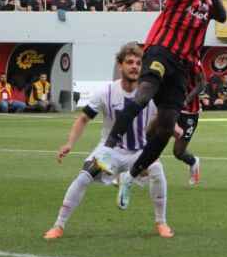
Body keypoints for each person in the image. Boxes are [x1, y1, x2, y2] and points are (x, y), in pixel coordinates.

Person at [94, 0, 226, 210]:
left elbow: (223, 16)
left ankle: (131, 176)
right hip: (160, 51)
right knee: (143, 95)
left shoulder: (210, 2)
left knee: (165, 127)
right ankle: (107, 149)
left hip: (182, 66)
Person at [43, 44, 173, 240]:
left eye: (139, 63)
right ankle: (58, 226)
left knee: (157, 170)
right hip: (110, 151)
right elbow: (83, 118)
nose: (135, 66)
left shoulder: (151, 94)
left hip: (139, 152)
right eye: (129, 62)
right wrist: (70, 143)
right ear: (120, 65)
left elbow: (163, 118)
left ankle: (161, 223)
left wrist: (175, 128)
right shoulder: (106, 92)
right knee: (84, 176)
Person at [174, 61, 204, 186]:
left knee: (178, 152)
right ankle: (142, 171)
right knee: (154, 136)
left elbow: (202, 84)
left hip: (189, 113)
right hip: (172, 108)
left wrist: (187, 100)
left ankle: (193, 162)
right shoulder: (169, 59)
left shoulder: (194, 62)